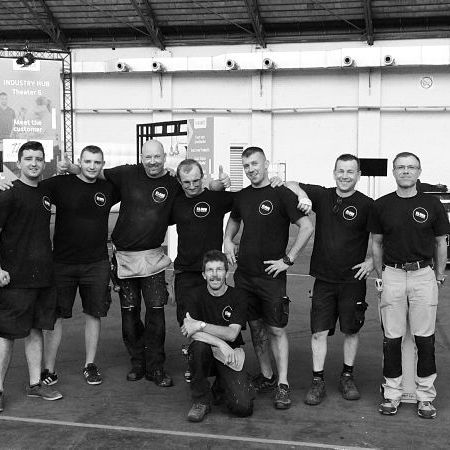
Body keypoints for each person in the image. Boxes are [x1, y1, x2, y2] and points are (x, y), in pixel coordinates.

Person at [60, 140, 229, 387]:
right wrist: (71, 167)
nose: (152, 162)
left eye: (157, 157)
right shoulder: (127, 173)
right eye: (148, 157)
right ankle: (138, 362)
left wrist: (217, 186)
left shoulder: (173, 182)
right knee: (129, 316)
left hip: (153, 260)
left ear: (164, 157)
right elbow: (95, 172)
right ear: (142, 157)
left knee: (156, 316)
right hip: (125, 258)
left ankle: (156, 366)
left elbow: (197, 190)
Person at [224, 146, 314, 410]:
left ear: (266, 164)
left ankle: (283, 384)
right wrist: (227, 239)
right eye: (246, 166)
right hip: (245, 276)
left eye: (255, 164)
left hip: (271, 277)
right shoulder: (242, 196)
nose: (251, 169)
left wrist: (288, 259)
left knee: (276, 329)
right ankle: (266, 375)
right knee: (256, 327)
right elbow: (234, 219)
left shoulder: (280, 193)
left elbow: (307, 227)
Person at [286, 154, 374, 406]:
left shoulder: (367, 204)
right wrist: (303, 196)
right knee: (318, 332)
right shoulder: (322, 196)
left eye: (350, 171)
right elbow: (290, 183)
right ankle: (318, 381)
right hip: (324, 280)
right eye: (341, 171)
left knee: (351, 331)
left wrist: (371, 262)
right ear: (334, 173)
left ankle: (347, 377)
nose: (345, 176)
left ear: (358, 175)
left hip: (352, 281)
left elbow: (384, 235)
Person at [369, 152, 449, 419]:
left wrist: (439, 275)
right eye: (401, 167)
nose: (406, 171)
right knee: (392, 339)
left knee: (424, 339)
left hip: (423, 275)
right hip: (392, 275)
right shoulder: (381, 205)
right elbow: (376, 243)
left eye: (411, 167)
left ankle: (425, 397)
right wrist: (381, 275)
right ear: (393, 171)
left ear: (419, 171)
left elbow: (441, 242)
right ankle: (392, 394)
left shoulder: (432, 204)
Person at [41, 146, 119, 385]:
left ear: (102, 164)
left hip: (96, 264)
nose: (92, 166)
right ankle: (48, 369)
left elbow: (137, 183)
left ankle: (90, 365)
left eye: (97, 162)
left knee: (94, 314)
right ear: (80, 161)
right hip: (62, 263)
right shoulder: (60, 184)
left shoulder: (109, 188)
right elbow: (30, 185)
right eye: (87, 161)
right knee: (55, 317)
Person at [0, 141, 62, 413]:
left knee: (36, 330)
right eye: (28, 158)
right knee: (6, 335)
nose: (34, 163)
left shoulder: (45, 192)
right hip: (15, 278)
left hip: (43, 277)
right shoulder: (8, 193)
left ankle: (35, 384)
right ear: (18, 163)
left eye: (38, 158)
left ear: (44, 162)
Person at [181, 250, 253, 422]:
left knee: (243, 408)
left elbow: (232, 333)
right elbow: (190, 332)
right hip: (207, 351)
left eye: (219, 269)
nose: (215, 275)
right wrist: (221, 343)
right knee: (198, 347)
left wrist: (201, 325)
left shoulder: (239, 296)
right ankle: (201, 401)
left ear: (227, 273)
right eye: (210, 270)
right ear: (204, 275)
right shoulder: (193, 295)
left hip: (229, 355)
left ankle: (222, 385)